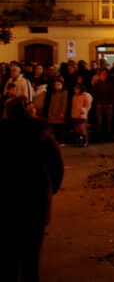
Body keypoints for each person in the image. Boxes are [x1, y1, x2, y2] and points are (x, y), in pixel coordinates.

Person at [1, 96, 63, 282]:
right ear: (31, 111)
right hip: (35, 201)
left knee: (8, 257)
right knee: (31, 257)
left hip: (6, 200)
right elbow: (56, 168)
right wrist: (50, 190)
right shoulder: (43, 136)